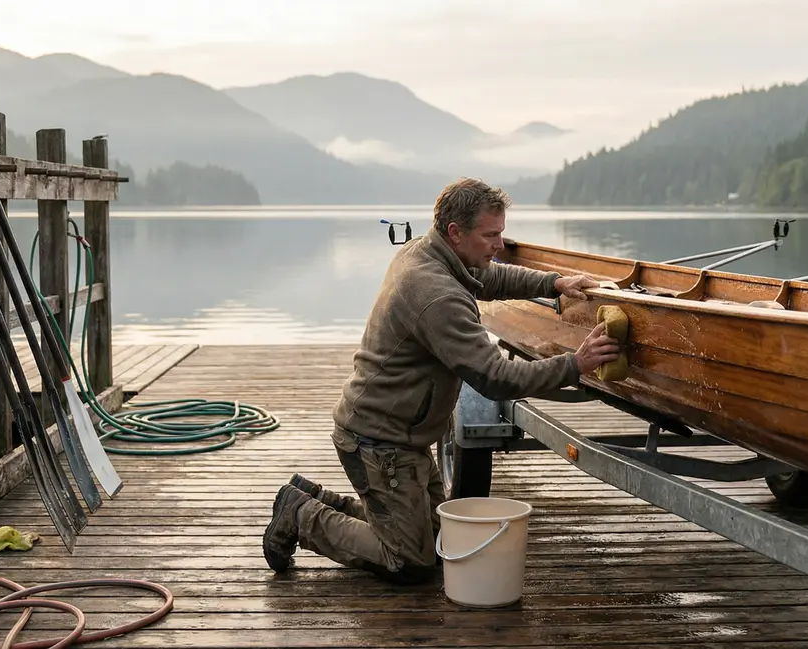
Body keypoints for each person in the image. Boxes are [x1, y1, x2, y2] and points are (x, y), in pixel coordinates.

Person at [262, 177, 622, 583]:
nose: (499, 245)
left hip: (402, 434)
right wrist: (575, 364)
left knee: (435, 538)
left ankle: (313, 498)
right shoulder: (436, 295)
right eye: (490, 235)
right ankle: (301, 514)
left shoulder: (430, 251)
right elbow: (496, 378)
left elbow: (488, 279)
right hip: (379, 441)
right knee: (410, 561)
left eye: (500, 233)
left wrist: (552, 283)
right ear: (456, 232)